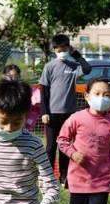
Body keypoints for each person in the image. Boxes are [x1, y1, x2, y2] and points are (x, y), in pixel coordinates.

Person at [39, 34, 91, 184]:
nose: (61, 51)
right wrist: (44, 112)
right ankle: (48, 177)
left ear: (68, 48)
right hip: (52, 114)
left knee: (65, 147)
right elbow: (44, 91)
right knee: (50, 147)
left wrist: (76, 55)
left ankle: (64, 177)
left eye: (64, 49)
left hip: (69, 114)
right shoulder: (49, 66)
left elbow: (87, 69)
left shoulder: (74, 66)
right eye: (58, 49)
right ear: (54, 50)